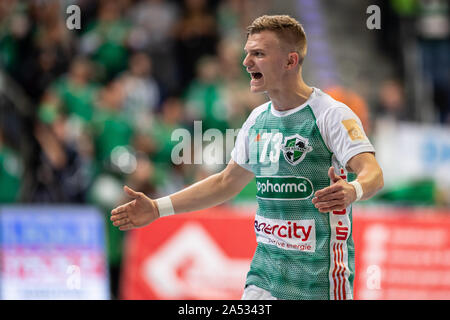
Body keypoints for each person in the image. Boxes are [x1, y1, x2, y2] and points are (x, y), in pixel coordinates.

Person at [110, 15, 384, 300]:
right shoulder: (257, 120)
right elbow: (225, 183)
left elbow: (373, 173)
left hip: (318, 284)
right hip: (263, 278)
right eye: (247, 53)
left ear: (290, 61)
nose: (247, 62)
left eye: (259, 54)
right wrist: (157, 208)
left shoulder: (331, 115)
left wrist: (354, 189)